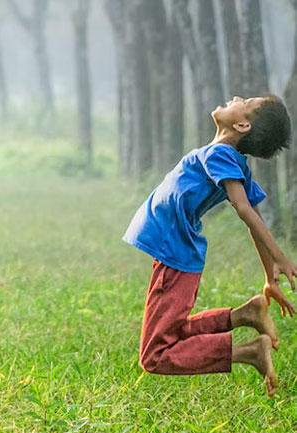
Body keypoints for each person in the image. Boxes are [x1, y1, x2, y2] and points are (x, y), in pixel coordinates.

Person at [123, 95, 297, 397]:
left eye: (247, 101)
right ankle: (247, 314)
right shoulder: (229, 159)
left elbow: (245, 210)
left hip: (174, 254)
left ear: (242, 124)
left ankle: (250, 352)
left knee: (156, 354)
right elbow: (253, 216)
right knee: (170, 332)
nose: (238, 97)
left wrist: (279, 258)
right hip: (175, 252)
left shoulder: (221, 155)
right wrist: (270, 276)